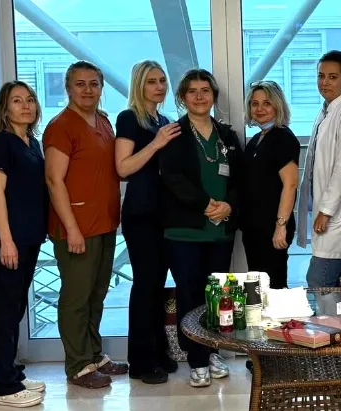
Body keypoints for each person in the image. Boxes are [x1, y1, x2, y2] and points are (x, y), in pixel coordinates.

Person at [43, 61, 128, 389]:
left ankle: (94, 355)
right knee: (76, 299)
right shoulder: (61, 127)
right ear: (68, 88)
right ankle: (78, 365)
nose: (88, 90)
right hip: (76, 228)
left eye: (94, 84)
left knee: (96, 295)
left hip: (104, 224)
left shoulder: (103, 122)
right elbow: (54, 180)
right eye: (80, 84)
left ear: (101, 88)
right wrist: (72, 229)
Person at [158, 69, 240, 387]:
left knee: (217, 295)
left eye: (205, 90)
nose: (199, 96)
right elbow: (172, 177)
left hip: (220, 230)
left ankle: (213, 351)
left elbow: (241, 180)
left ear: (214, 96)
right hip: (185, 231)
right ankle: (196, 359)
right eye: (192, 91)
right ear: (182, 97)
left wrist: (229, 205)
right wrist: (205, 204)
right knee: (190, 294)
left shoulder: (227, 136)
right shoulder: (174, 134)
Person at [114, 60, 180, 384]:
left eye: (162, 81)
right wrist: (156, 144)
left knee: (157, 285)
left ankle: (158, 350)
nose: (159, 87)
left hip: (163, 214)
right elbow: (123, 168)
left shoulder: (163, 120)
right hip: (140, 214)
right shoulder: (129, 118)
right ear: (139, 85)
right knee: (145, 284)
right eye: (152, 81)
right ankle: (141, 360)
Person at [0, 81, 48, 407]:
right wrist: (6, 240)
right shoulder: (2, 144)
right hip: (9, 239)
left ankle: (12, 372)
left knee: (17, 305)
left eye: (30, 100)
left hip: (30, 237)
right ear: (5, 109)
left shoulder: (32, 143)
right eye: (17, 101)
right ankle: (4, 386)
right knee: (7, 309)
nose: (25, 106)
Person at [297, 50, 341, 288]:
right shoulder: (326, 111)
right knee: (334, 289)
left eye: (332, 77)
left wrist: (326, 210)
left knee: (320, 283)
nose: (324, 82)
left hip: (339, 216)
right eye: (321, 76)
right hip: (328, 213)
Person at [241, 81, 300, 289]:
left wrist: (280, 226)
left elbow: (290, 185)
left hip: (273, 227)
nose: (260, 109)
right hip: (254, 227)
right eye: (254, 103)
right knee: (257, 288)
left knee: (273, 288)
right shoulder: (256, 139)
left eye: (267, 103)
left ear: (278, 105)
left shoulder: (283, 138)